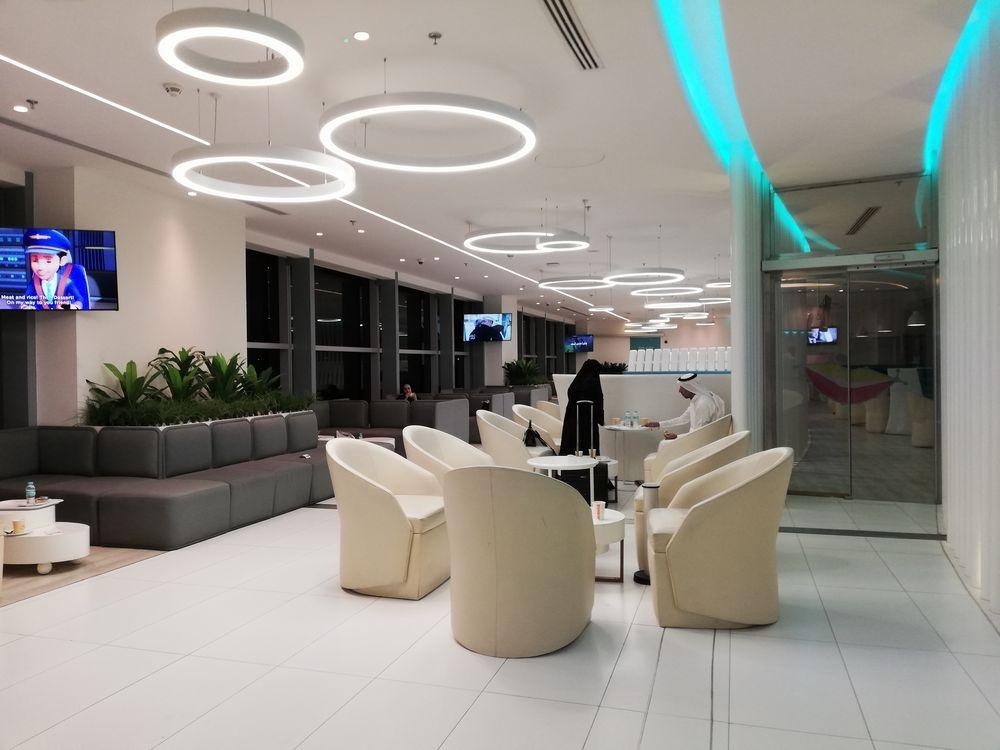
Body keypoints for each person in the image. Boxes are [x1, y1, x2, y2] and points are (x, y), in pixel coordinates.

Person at [20, 229, 90, 310]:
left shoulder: (67, 282)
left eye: (48, 261)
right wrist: (26, 307)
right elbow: (26, 299)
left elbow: (79, 299)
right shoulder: (34, 281)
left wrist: (74, 307)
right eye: (35, 260)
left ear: (62, 261)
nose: (40, 267)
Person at [560, 359, 604, 455]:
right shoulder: (593, 381)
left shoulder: (577, 381)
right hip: (588, 421)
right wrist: (600, 418)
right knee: (589, 447)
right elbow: (598, 400)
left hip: (572, 419)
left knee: (572, 445)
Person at [661, 373, 726, 439]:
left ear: (690, 388)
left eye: (682, 388)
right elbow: (683, 419)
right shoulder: (696, 400)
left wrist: (677, 437)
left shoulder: (702, 404)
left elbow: (699, 433)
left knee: (664, 443)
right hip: (693, 438)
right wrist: (659, 424)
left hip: (702, 441)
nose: (679, 391)